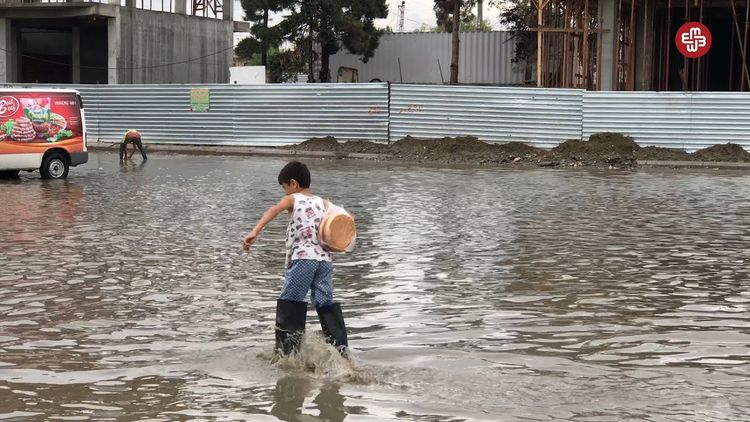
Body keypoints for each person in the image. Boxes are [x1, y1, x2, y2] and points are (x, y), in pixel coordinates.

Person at [243, 161, 348, 358]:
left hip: (303, 259)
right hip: (325, 261)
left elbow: (272, 210)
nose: (284, 193)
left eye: (284, 187)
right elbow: (345, 219)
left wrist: (254, 232)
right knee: (325, 303)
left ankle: (286, 355)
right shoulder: (324, 203)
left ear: (293, 183)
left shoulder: (293, 199)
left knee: (290, 300)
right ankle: (341, 352)